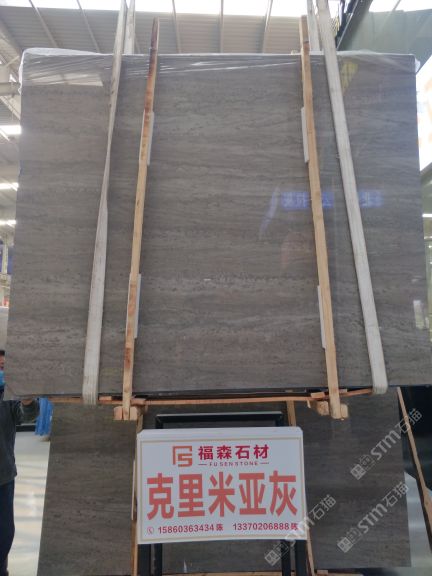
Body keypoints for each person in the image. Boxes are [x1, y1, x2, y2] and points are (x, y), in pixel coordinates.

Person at [0, 349, 39, 576]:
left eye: (4, 367)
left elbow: (27, 414)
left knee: (4, 533)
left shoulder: (9, 395)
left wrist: (27, 399)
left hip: (3, 475)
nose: (1, 370)